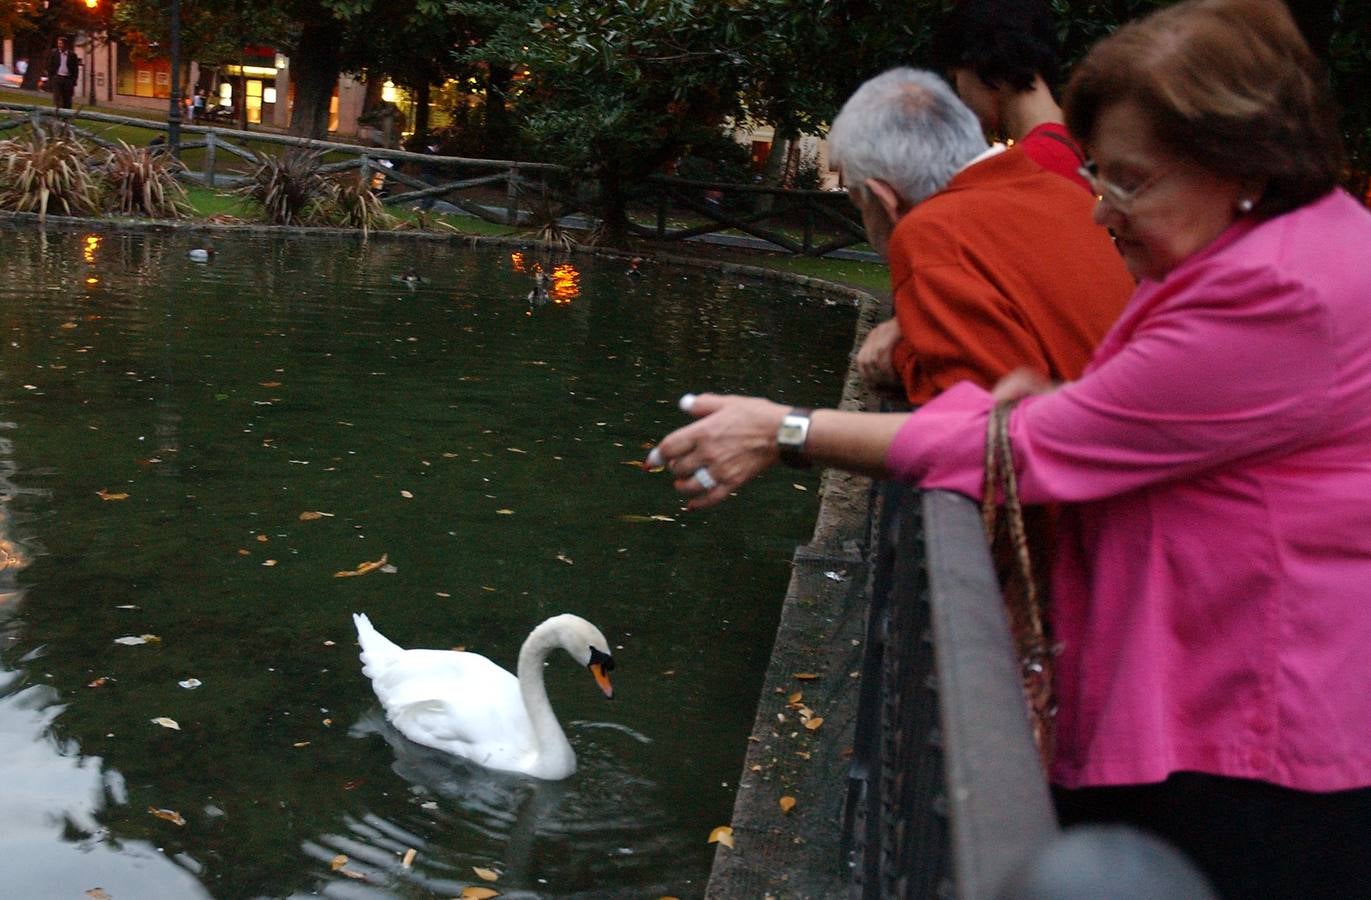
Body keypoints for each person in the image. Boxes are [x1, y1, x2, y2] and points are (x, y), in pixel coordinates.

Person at [646, 1, 1371, 896]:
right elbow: (1121, 412)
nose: (1102, 212)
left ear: (1240, 164)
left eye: (1131, 183)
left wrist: (785, 429)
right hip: (1232, 697)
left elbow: (1031, 444)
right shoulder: (1271, 253)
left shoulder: (1278, 289)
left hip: (1250, 725)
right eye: (1102, 176)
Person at [833, 69, 1131, 405]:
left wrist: (899, 361)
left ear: (884, 199)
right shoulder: (1065, 195)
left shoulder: (933, 233)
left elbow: (987, 424)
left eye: (857, 202)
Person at [932, 0, 1090, 189]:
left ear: (985, 65)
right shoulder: (1078, 143)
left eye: (956, 79)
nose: (960, 98)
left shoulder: (1036, 162)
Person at [46, 37, 80, 110]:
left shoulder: (72, 55)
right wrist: (51, 77)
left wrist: (74, 80)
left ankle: (66, 116)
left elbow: (75, 69)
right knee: (57, 98)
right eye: (58, 43)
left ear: (66, 44)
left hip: (68, 79)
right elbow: (50, 65)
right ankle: (57, 114)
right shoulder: (54, 53)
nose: (59, 45)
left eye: (61, 43)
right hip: (57, 77)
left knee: (67, 99)